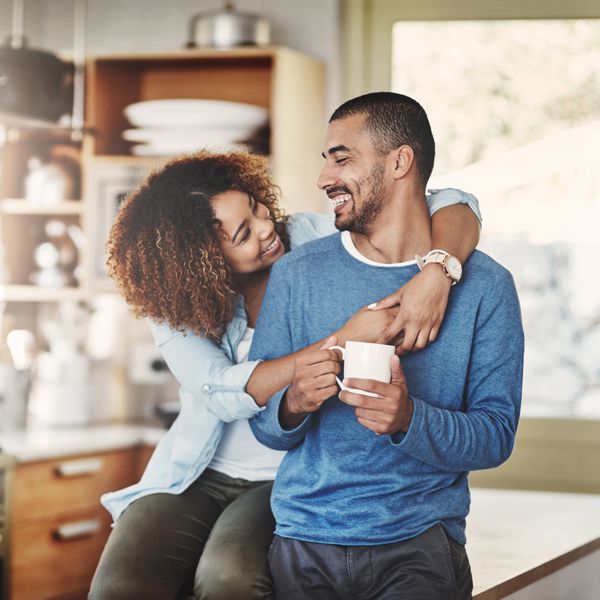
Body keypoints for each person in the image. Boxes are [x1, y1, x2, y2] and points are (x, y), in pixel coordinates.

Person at [89, 149, 482, 600]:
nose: (265, 230)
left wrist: (438, 270)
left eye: (257, 209)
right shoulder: (174, 303)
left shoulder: (311, 236)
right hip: (195, 472)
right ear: (202, 263)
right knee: (118, 587)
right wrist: (342, 338)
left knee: (228, 578)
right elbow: (222, 389)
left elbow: (455, 202)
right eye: (243, 234)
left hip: (287, 472)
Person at [249, 92, 524, 600]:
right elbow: (264, 425)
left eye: (342, 157)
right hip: (304, 541)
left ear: (400, 161)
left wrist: (408, 420)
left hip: (420, 546)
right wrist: (294, 402)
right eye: (326, 159)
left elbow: (495, 437)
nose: (323, 177)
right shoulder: (295, 274)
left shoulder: (486, 287)